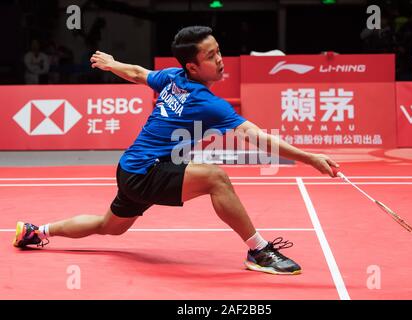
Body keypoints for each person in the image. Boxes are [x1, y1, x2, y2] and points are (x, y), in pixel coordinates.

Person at [13, 26, 339, 275]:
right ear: (193, 68)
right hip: (147, 170)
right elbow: (254, 136)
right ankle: (259, 251)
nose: (220, 59)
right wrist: (309, 158)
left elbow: (140, 74)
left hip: (132, 169)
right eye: (211, 57)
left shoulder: (173, 77)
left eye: (218, 51)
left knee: (107, 226)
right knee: (216, 178)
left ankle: (35, 231)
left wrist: (112, 64)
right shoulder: (206, 101)